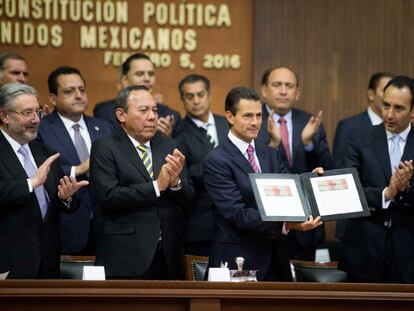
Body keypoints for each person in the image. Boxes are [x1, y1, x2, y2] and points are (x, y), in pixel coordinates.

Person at [202, 86, 322, 281]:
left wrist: (311, 184)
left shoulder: (269, 153)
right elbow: (238, 214)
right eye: (248, 116)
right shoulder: (216, 160)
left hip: (277, 259)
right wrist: (286, 224)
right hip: (239, 260)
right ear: (230, 117)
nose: (255, 122)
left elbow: (290, 190)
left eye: (259, 115)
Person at [90, 85, 193, 279]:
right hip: (126, 256)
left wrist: (175, 183)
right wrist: (156, 186)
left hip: (168, 256)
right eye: (143, 110)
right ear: (121, 115)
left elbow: (188, 197)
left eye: (154, 110)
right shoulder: (105, 148)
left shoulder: (169, 145)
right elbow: (109, 197)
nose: (153, 117)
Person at [0, 83, 88, 278]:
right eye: (27, 113)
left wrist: (67, 197)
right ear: (4, 116)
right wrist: (31, 183)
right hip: (8, 261)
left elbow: (65, 204)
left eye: (37, 112)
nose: (36, 120)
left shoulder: (44, 151)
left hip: (47, 262)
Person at [338, 76, 414, 283]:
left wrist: (405, 188)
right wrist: (386, 193)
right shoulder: (358, 138)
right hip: (363, 249)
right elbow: (347, 189)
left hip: (408, 250)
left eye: (398, 108)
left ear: (413, 111)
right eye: (386, 105)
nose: (389, 114)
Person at [257, 66, 334, 261]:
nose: (283, 91)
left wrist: (308, 144)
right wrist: (272, 144)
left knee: (303, 289)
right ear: (264, 90)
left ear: (297, 93)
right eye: (277, 85)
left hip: (306, 225)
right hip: (267, 223)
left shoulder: (310, 121)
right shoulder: (253, 121)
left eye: (289, 86)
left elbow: (328, 167)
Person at [37, 66, 113, 255]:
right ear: (53, 98)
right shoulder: (42, 129)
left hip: (106, 228)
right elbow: (38, 172)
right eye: (69, 91)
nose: (78, 95)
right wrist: (78, 169)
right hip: (66, 225)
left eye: (81, 89)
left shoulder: (104, 127)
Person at [333, 72, 393, 239]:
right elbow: (341, 174)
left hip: (395, 227)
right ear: (371, 94)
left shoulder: (403, 130)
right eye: (385, 90)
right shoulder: (350, 127)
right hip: (358, 225)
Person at [178, 74, 229, 257]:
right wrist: (226, 168)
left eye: (200, 94)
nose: (196, 101)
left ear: (209, 95)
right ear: (182, 99)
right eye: (190, 96)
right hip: (199, 224)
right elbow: (187, 173)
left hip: (234, 223)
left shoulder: (229, 124)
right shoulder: (178, 131)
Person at [93, 53, 183, 138]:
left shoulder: (169, 115)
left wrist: (166, 138)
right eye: (140, 74)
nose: (147, 78)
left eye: (151, 74)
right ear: (125, 80)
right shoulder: (104, 112)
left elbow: (182, 151)